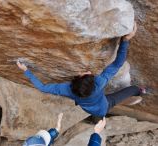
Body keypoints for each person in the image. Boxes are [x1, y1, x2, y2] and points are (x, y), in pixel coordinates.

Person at [17, 22, 145, 118]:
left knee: (104, 108)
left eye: (85, 74)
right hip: (104, 106)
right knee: (131, 90)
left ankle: (100, 118)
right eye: (88, 74)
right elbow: (117, 64)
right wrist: (125, 40)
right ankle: (140, 91)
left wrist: (26, 70)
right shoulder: (99, 82)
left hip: (90, 109)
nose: (88, 72)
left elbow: (43, 87)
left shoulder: (66, 89)